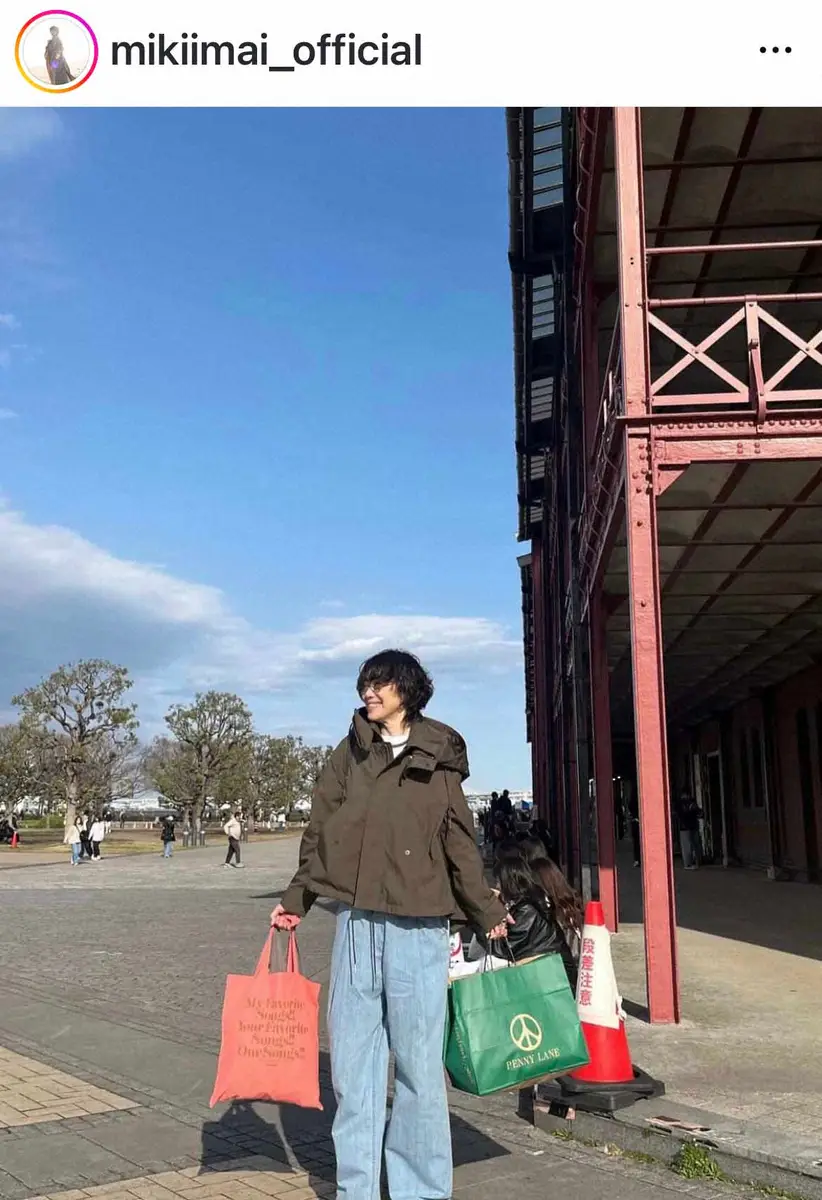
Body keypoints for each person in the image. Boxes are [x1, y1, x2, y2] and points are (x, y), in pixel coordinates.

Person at [270, 648, 511, 1200]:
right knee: (353, 1070)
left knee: (419, 1069)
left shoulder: (438, 751)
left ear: (408, 690)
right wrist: (296, 899)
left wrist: (484, 910)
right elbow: (320, 832)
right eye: (365, 684)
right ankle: (355, 1189)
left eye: (380, 683)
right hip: (356, 923)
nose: (369, 693)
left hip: (418, 927)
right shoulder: (349, 753)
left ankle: (420, 1190)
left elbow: (458, 838)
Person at [481, 839, 582, 989]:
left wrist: (483, 928)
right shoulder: (529, 901)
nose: (497, 886)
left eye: (498, 882)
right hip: (550, 973)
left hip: (556, 980)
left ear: (508, 883)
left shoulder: (527, 909)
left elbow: (505, 949)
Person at [675, 788, 702, 870]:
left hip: (686, 826)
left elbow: (680, 814)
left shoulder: (683, 803)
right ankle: (691, 863)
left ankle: (690, 863)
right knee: (691, 845)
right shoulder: (687, 802)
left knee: (689, 845)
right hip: (689, 825)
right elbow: (696, 811)